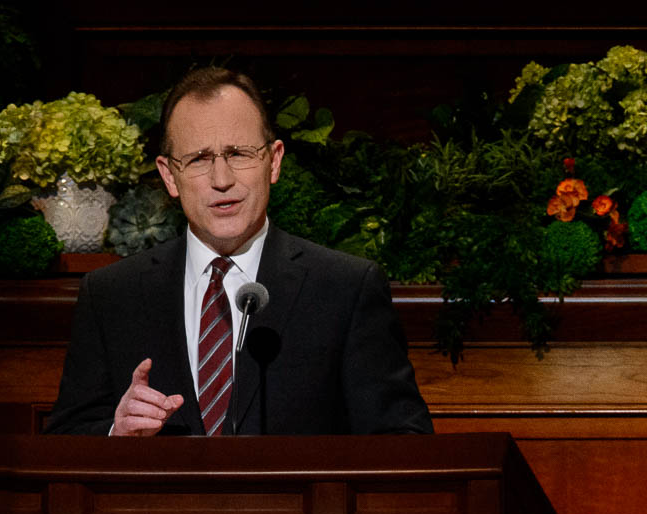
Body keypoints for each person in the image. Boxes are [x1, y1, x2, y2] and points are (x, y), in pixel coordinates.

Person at [45, 67, 432, 436]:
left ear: (274, 161)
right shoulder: (112, 296)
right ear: (168, 176)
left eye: (239, 154)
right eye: (198, 159)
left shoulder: (346, 289)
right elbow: (65, 440)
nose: (222, 180)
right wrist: (118, 434)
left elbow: (401, 440)